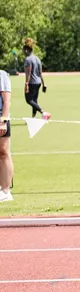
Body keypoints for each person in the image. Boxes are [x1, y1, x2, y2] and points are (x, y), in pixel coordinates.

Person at [21, 38, 49, 120]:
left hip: (32, 83)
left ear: (27, 50)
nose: (23, 52)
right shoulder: (37, 59)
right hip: (38, 82)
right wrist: (44, 84)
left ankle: (43, 112)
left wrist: (26, 84)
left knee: (29, 100)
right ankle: (33, 118)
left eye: (23, 50)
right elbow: (40, 73)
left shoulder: (28, 59)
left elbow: (28, 73)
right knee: (34, 100)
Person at [0, 68, 11, 202]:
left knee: (3, 152)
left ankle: (6, 190)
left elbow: (7, 101)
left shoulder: (1, 75)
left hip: (0, 118)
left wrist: (3, 120)